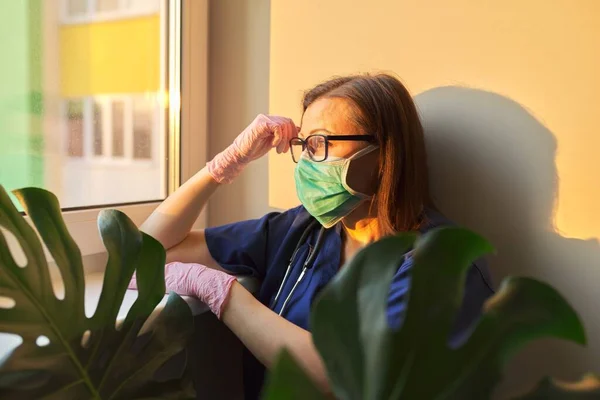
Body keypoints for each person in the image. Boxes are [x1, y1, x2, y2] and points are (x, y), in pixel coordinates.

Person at [130, 73, 494, 398]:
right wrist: (225, 164)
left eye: (320, 144)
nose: (305, 162)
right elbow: (144, 252)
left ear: (383, 154)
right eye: (304, 146)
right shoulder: (300, 231)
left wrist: (224, 295)